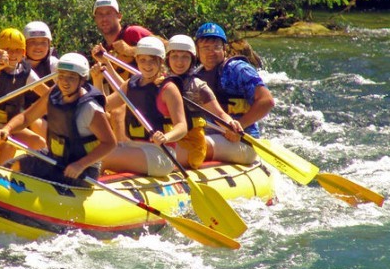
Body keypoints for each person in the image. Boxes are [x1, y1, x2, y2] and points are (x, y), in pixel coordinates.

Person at [0, 53, 116, 186]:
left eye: (71, 77)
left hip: (83, 169)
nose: (65, 82)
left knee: (43, 183)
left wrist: (80, 165)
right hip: (54, 157)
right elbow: (26, 117)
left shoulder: (90, 108)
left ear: (82, 80)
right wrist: (7, 129)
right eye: (61, 76)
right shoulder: (54, 93)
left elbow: (110, 143)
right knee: (12, 166)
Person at [91, 36, 188, 176]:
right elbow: (101, 106)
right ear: (136, 60)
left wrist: (166, 137)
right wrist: (97, 80)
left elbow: (182, 126)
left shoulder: (169, 88)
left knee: (103, 156)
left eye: (152, 60)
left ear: (161, 61)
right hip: (134, 146)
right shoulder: (131, 84)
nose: (147, 65)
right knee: (93, 151)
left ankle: (87, 183)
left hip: (161, 153)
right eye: (143, 60)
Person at [194, 23, 275, 164]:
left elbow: (267, 101)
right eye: (206, 48)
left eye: (216, 47)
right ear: (197, 51)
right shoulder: (196, 76)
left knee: (195, 146)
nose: (211, 52)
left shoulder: (238, 70)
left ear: (224, 49)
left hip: (242, 141)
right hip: (211, 137)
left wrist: (239, 126)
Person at [164, 35, 244, 169]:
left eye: (185, 57)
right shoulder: (160, 82)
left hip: (192, 144)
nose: (179, 62)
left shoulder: (198, 86)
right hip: (166, 137)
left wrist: (231, 125)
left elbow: (219, 114)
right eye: (174, 56)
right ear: (167, 59)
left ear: (192, 59)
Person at [0, 28, 48, 164]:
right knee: (9, 144)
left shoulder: (26, 73)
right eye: (7, 49)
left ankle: (34, 174)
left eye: (17, 50)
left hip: (9, 125)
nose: (12, 54)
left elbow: (47, 94)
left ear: (23, 53)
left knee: (39, 143)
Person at [91, 0, 152, 141]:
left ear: (119, 16)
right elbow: (117, 89)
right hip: (125, 98)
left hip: (149, 96)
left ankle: (122, 151)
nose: (104, 18)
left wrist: (131, 50)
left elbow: (166, 48)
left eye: (108, 13)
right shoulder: (104, 51)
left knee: (118, 112)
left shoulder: (133, 33)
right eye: (100, 14)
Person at [22, 20, 59, 137]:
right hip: (18, 118)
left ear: (49, 45)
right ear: (24, 44)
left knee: (35, 122)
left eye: (43, 42)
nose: (38, 46)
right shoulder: (15, 65)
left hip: (49, 119)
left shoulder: (54, 64)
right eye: (33, 42)